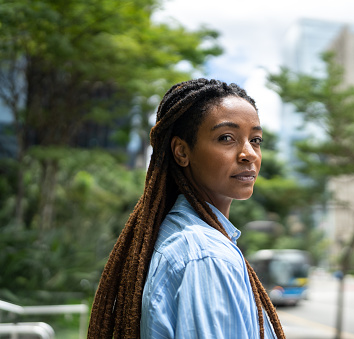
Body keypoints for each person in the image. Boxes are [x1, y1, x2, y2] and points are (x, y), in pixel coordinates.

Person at [87, 79, 285, 339]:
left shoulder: (174, 235)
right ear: (181, 151)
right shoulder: (206, 256)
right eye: (226, 138)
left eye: (256, 140)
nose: (249, 154)